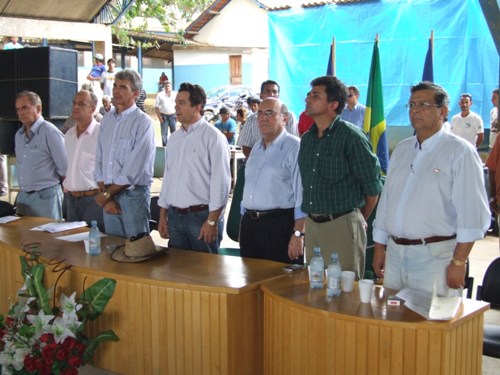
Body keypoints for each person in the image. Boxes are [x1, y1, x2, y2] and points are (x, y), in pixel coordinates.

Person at [373, 81, 490, 296]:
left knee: (431, 324)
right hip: (396, 254)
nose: (416, 110)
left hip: (436, 257)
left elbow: (471, 212)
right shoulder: (402, 149)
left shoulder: (459, 151)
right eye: (412, 105)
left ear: (443, 112)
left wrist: (459, 261)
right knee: (394, 323)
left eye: (424, 104)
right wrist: (380, 246)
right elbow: (387, 200)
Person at [298, 76, 382, 278]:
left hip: (342, 225)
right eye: (309, 94)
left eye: (315, 96)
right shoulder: (308, 139)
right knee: (315, 289)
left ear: (333, 104)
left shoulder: (352, 137)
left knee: (344, 293)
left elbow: (372, 188)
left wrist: (356, 218)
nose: (308, 99)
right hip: (312, 224)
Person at [157, 83, 231, 253]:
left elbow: (221, 183)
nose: (176, 108)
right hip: (175, 217)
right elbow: (168, 178)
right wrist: (163, 215)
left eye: (182, 103)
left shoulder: (213, 137)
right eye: (176, 103)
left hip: (202, 217)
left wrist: (212, 221)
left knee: (205, 274)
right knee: (177, 271)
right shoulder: (174, 138)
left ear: (198, 106)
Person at [240, 98, 305, 263]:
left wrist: (298, 234)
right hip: (251, 225)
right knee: (250, 281)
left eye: (270, 113)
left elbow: (302, 196)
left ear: (285, 119)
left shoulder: (295, 147)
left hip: (279, 225)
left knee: (280, 284)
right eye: (260, 113)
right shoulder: (256, 148)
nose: (263, 118)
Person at [94, 69, 155, 239]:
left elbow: (132, 171)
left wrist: (106, 195)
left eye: (123, 87)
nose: (115, 91)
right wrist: (106, 198)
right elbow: (99, 160)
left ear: (135, 94)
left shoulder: (143, 123)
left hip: (133, 196)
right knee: (114, 250)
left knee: (137, 251)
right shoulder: (106, 120)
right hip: (108, 195)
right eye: (115, 85)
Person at [14, 91, 67, 219]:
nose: (21, 113)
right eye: (18, 109)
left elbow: (65, 168)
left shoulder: (50, 132)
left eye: (25, 107)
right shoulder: (18, 135)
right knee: (24, 238)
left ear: (38, 108)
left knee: (48, 238)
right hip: (24, 197)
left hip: (46, 198)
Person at [63, 90, 104, 230]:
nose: (75, 107)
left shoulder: (102, 134)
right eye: (74, 103)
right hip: (71, 200)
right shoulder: (68, 135)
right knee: (72, 247)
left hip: (94, 200)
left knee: (95, 246)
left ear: (92, 109)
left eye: (81, 104)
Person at [239, 80, 299, 157]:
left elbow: (292, 144)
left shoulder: (289, 116)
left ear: (278, 95)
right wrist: (257, 162)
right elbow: (246, 146)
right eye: (267, 91)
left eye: (274, 92)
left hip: (283, 164)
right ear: (261, 95)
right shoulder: (252, 119)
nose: (271, 94)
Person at [155, 82, 177, 146]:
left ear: (171, 86)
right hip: (163, 117)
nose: (167, 87)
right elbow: (156, 107)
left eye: (168, 86)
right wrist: (159, 117)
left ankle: (174, 146)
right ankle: (165, 147)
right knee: (164, 134)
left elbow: (178, 105)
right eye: (166, 86)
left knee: (174, 133)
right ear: (164, 87)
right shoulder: (160, 95)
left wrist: (178, 116)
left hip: (173, 116)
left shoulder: (175, 94)